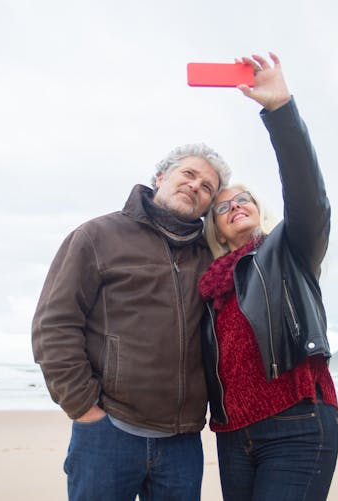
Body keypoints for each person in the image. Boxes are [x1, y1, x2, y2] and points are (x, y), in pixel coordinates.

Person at [31, 142, 231, 500]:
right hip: (108, 432)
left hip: (182, 442)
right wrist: (84, 407)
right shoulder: (98, 236)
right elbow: (54, 323)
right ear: (160, 176)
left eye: (207, 188)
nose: (195, 187)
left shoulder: (207, 256)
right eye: (189, 174)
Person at [199, 52, 338, 500]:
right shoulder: (207, 286)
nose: (235, 205)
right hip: (232, 434)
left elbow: (308, 195)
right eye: (222, 205)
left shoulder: (290, 249)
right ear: (214, 226)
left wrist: (279, 110)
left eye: (244, 199)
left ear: (259, 211)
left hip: (297, 420)